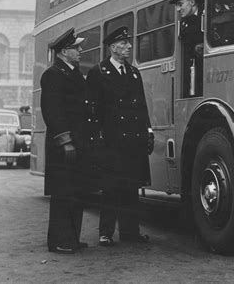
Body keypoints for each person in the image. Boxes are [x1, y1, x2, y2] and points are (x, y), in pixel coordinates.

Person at [86, 26, 154, 247]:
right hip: (112, 140)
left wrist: (149, 131)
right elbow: (93, 109)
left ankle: (130, 232)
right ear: (113, 47)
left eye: (128, 43)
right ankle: (105, 233)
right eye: (124, 44)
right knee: (111, 188)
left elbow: (142, 106)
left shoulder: (134, 73)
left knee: (131, 187)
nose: (129, 47)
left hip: (133, 140)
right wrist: (96, 137)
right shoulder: (99, 72)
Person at [40, 28, 89, 254]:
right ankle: (59, 240)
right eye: (76, 48)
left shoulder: (73, 72)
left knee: (76, 191)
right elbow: (53, 112)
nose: (80, 51)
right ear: (63, 52)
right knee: (62, 193)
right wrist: (65, 140)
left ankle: (71, 237)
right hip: (64, 146)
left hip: (77, 142)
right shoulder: (53, 74)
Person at [170, 0, 204, 96]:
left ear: (192, 2)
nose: (178, 9)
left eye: (180, 4)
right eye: (176, 6)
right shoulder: (184, 24)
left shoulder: (207, 14)